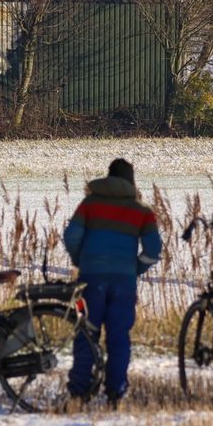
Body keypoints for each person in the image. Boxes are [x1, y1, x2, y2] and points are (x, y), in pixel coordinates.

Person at [63, 158, 163, 408]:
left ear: (107, 178)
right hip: (123, 282)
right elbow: (153, 249)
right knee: (119, 337)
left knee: (86, 334)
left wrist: (80, 259)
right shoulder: (141, 210)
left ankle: (79, 391)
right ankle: (114, 393)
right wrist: (136, 268)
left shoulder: (89, 204)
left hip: (90, 279)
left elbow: (71, 236)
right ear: (131, 181)